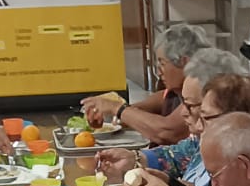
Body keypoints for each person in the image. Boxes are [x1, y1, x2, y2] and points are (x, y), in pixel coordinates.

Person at [98, 46, 250, 186]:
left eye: (190, 105)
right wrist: (134, 159)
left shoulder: (239, 159)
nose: (183, 112)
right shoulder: (200, 140)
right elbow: (175, 157)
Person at [81, 22, 209, 147]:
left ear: (185, 62)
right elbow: (140, 109)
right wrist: (109, 115)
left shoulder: (205, 93)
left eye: (162, 64)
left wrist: (117, 108)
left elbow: (166, 132)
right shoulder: (173, 93)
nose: (158, 71)